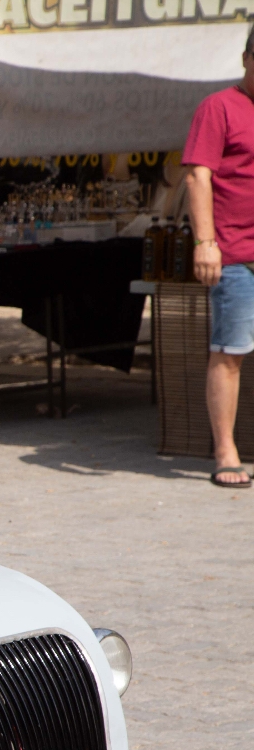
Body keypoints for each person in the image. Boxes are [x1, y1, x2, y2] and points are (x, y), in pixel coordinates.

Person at [185, 24, 254, 489]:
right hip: (236, 254)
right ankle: (225, 451)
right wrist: (205, 242)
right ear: (247, 58)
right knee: (230, 352)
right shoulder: (219, 107)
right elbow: (198, 176)